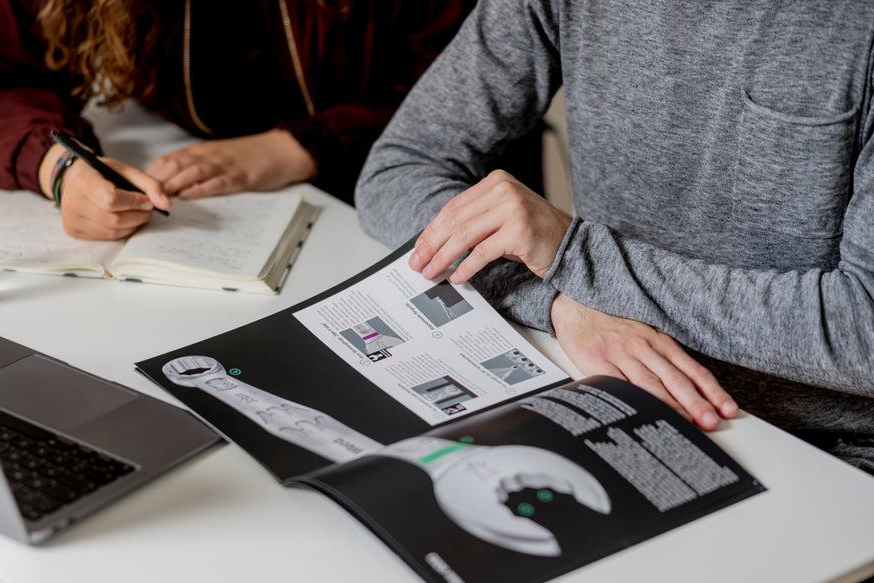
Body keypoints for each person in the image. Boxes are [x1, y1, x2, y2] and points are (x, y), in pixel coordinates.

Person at [355, 0, 874, 473]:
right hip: (610, 392)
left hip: (827, 450)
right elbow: (399, 169)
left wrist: (575, 255)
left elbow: (865, 330)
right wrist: (561, 301)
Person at [0, 0, 473, 240]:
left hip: (420, 211)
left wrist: (301, 147)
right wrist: (60, 167)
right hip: (235, 213)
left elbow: (474, 92)